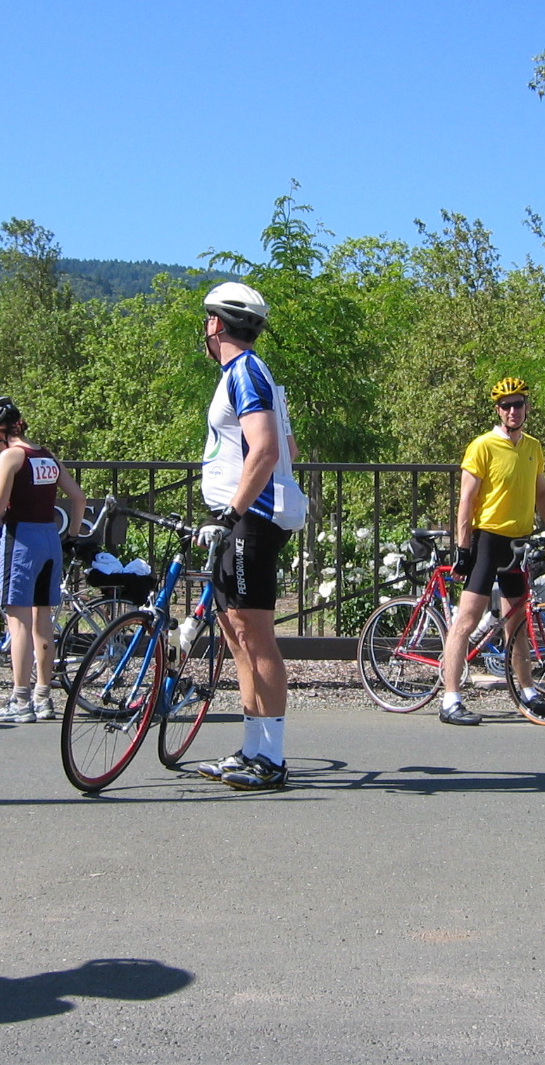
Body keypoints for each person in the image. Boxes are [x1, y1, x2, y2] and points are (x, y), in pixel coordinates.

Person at [191, 281, 306, 791]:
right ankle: (252, 749)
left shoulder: (245, 372)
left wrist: (232, 512)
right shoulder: (247, 374)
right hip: (239, 517)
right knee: (237, 636)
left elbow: (267, 450)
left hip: (249, 520)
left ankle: (273, 759)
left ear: (216, 324)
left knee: (255, 635)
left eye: (205, 322)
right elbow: (291, 447)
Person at [437, 377, 545, 727]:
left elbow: (542, 493)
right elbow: (466, 501)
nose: (513, 410)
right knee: (466, 619)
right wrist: (464, 549)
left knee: (518, 623)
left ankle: (528, 692)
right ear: (498, 410)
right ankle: (450, 699)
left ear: (526, 407)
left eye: (519, 404)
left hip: (518, 542)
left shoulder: (533, 447)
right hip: (487, 541)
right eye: (506, 405)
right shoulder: (482, 446)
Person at [0, 397, 85, 724]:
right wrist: (72, 536)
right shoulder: (46, 457)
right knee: (43, 622)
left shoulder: (11, 456)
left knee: (18, 621)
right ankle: (43, 697)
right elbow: (78, 498)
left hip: (21, 540)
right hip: (50, 541)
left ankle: (20, 700)